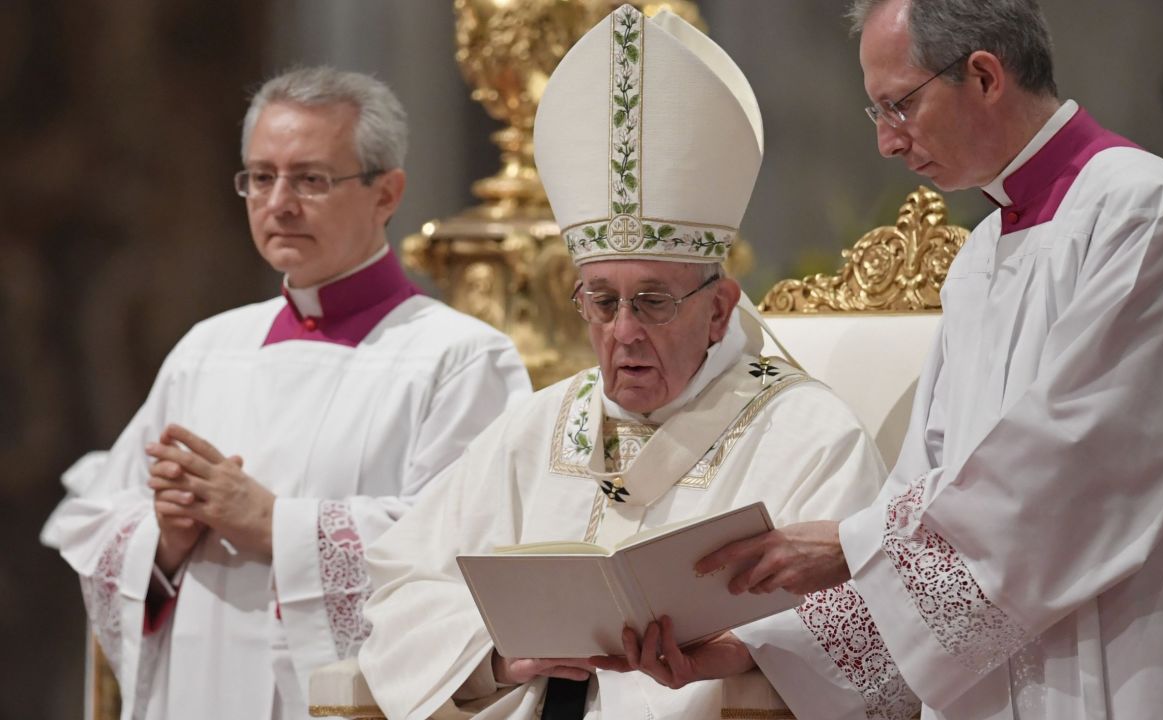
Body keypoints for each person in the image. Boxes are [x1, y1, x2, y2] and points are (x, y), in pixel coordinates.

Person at [610, 0, 1163, 717]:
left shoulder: (1144, 217)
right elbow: (925, 489)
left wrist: (850, 543)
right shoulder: (982, 256)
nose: (888, 144)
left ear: (985, 76)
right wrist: (758, 645)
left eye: (896, 106)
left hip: (1137, 659)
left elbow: (1073, 480)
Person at [356, 7, 887, 720]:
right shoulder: (539, 427)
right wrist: (498, 655)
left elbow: (874, 631)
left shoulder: (809, 436)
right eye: (601, 302)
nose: (624, 333)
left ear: (721, 308)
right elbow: (401, 585)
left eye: (655, 303)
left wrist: (742, 647)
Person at [41, 66, 532, 720]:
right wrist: (163, 538)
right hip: (198, 686)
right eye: (260, 177)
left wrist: (277, 525)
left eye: (311, 179)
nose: (279, 203)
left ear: (387, 193)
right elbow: (99, 519)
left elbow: (468, 552)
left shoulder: (460, 359)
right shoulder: (207, 351)